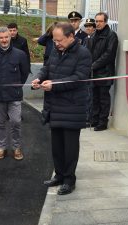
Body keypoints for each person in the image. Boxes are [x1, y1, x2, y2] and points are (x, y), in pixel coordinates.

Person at [31, 22, 92, 195]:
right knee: (56, 146)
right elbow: (47, 68)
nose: (56, 43)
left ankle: (69, 180)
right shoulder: (55, 50)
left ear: (71, 37)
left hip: (73, 107)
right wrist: (38, 79)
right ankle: (58, 175)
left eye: (59, 40)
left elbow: (79, 78)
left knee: (70, 148)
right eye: (54, 40)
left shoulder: (83, 54)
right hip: (55, 105)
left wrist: (54, 85)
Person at [0, 26, 29, 160]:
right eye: (1, 37)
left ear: (10, 37)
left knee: (16, 122)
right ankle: (2, 147)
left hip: (14, 95)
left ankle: (16, 147)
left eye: (6, 37)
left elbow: (24, 73)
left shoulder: (20, 54)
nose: (4, 40)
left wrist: (17, 87)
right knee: (0, 123)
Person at [91, 12, 118, 131]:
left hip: (105, 73)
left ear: (106, 22)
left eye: (100, 21)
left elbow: (109, 55)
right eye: (96, 21)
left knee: (103, 99)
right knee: (94, 98)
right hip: (94, 73)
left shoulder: (111, 36)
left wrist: (94, 65)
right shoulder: (94, 35)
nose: (97, 23)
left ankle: (102, 123)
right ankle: (94, 120)